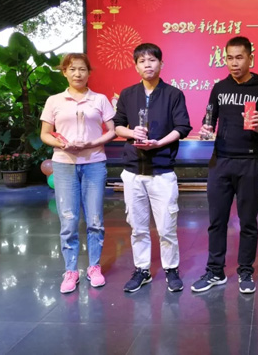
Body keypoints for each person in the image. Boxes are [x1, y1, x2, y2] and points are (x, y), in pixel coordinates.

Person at [191, 36, 258, 294]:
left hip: (249, 161)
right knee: (216, 220)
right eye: (229, 58)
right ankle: (215, 271)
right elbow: (210, 119)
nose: (234, 63)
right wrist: (206, 128)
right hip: (220, 161)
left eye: (239, 57)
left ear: (250, 58)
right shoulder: (219, 88)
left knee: (248, 221)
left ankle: (246, 271)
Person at [114, 43, 192, 293]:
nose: (147, 64)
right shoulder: (128, 94)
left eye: (152, 60)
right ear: (135, 66)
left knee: (167, 226)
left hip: (162, 170)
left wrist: (159, 143)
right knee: (137, 227)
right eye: (142, 61)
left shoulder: (173, 94)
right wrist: (132, 132)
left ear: (161, 64)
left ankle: (171, 269)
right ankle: (142, 270)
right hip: (133, 171)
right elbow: (117, 125)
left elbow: (182, 127)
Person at [40, 53, 116, 294]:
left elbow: (112, 131)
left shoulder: (100, 99)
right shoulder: (54, 100)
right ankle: (71, 270)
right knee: (69, 219)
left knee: (95, 219)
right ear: (64, 72)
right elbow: (45, 134)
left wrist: (92, 143)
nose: (77, 74)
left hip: (94, 163)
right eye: (72, 69)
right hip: (64, 164)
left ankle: (94, 267)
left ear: (89, 72)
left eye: (82, 69)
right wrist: (61, 144)